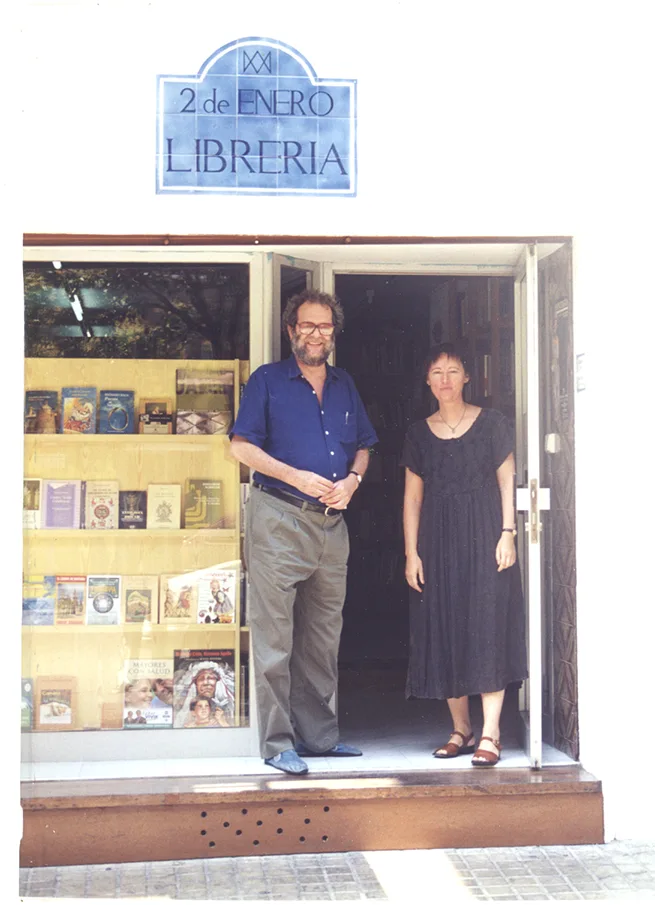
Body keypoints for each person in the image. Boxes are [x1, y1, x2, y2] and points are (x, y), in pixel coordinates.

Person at [230, 288, 379, 775]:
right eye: (307, 326)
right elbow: (240, 447)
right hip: (278, 517)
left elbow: (363, 446)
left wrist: (354, 482)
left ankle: (318, 738)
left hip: (331, 526)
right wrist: (295, 476)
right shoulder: (268, 381)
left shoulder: (344, 384)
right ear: (292, 330)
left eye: (325, 327)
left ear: (333, 333)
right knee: (275, 637)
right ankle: (278, 745)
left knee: (321, 637)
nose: (317, 334)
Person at [402, 343, 527, 766]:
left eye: (453, 371)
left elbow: (507, 480)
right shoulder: (418, 432)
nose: (445, 379)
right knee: (446, 627)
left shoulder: (492, 424)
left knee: (488, 625)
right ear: (427, 381)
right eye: (437, 372)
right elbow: (412, 499)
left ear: (467, 377)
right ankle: (461, 728)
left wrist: (508, 531)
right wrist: (411, 553)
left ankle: (491, 732)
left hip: (487, 535)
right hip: (437, 543)